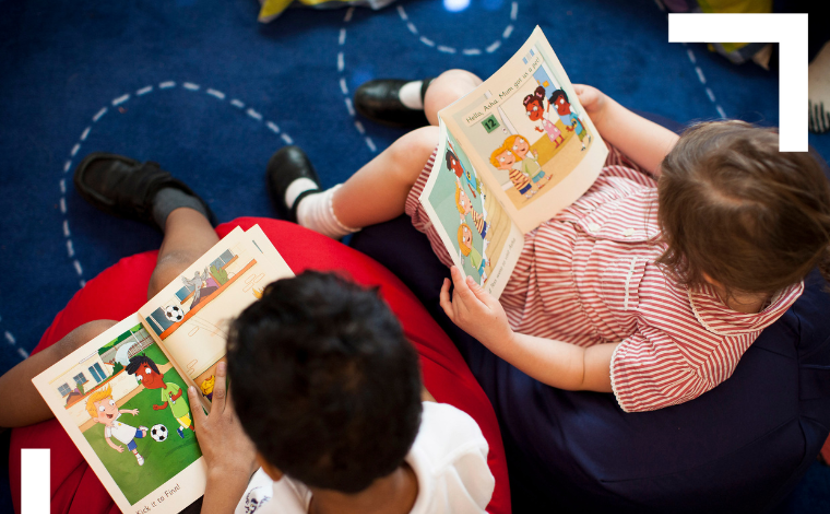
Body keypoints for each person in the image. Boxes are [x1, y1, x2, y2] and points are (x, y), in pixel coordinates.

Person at [0, 153, 495, 514]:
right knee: (180, 288)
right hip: (293, 476)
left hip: (235, 509)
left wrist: (229, 469)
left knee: (98, 339)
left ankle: (178, 206)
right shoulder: (458, 441)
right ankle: (180, 208)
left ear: (271, 462)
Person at [267, 69, 830, 413]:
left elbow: (586, 367)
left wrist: (503, 339)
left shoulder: (690, 354)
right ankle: (430, 96)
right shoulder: (736, 216)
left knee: (422, 151)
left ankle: (318, 214)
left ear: (698, 263)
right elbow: (679, 164)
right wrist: (606, 112)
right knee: (458, 92)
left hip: (515, 257)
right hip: (572, 184)